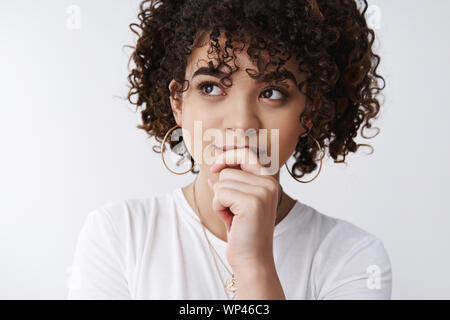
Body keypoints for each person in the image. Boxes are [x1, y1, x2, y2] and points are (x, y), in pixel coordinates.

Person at [67, 0, 392, 300]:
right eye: (211, 87)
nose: (240, 123)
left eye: (273, 93)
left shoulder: (354, 258)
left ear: (308, 115)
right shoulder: (118, 235)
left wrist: (255, 265)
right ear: (178, 104)